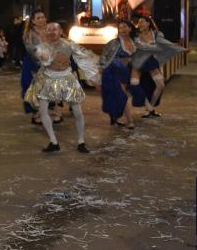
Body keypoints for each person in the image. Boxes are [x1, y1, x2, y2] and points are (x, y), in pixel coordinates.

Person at [24, 22, 100, 153]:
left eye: (54, 29)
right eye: (48, 30)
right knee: (43, 110)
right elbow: (41, 60)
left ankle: (81, 141)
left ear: (60, 31)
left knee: (78, 112)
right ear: (45, 32)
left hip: (67, 78)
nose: (51, 32)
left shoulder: (69, 44)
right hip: (47, 78)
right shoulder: (42, 47)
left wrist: (94, 77)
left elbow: (84, 57)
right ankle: (53, 141)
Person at [130, 16, 186, 117]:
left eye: (142, 22)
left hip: (150, 62)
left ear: (148, 23)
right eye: (139, 22)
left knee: (160, 85)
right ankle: (150, 108)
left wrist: (181, 48)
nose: (140, 24)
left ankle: (150, 108)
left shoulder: (156, 35)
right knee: (135, 84)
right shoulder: (136, 35)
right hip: (138, 62)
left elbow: (166, 45)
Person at [99, 20, 137, 129]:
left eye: (125, 27)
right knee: (122, 96)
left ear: (130, 28)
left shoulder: (135, 41)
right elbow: (104, 55)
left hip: (125, 71)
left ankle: (115, 116)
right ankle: (130, 120)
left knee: (117, 96)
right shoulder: (114, 43)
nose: (122, 30)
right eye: (120, 28)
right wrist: (101, 67)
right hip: (112, 71)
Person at [21, 9, 47, 123]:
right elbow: (30, 48)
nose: (41, 20)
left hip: (48, 63)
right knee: (33, 89)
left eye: (43, 17)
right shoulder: (29, 34)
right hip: (32, 63)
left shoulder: (49, 30)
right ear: (33, 21)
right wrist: (42, 52)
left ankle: (49, 111)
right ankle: (35, 113)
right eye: (38, 18)